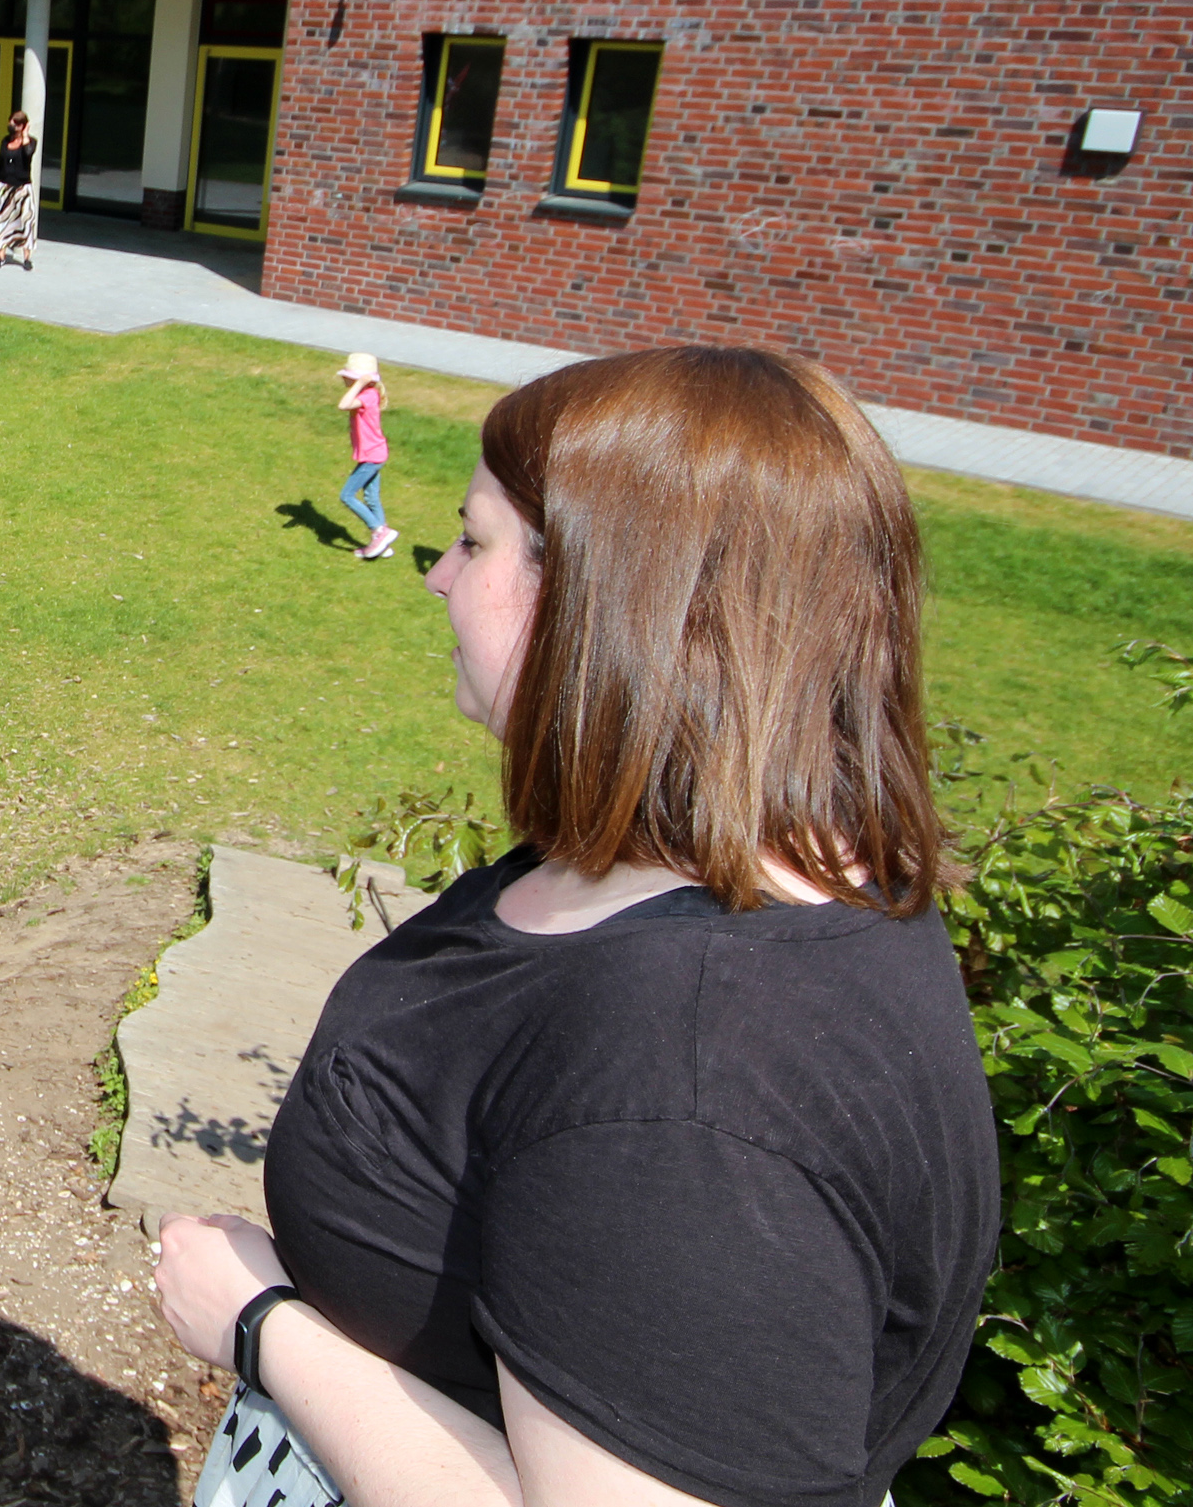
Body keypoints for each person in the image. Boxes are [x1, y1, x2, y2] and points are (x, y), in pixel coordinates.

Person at [157, 346, 1000, 1507]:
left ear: (607, 600)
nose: (438, 578)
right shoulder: (737, 869)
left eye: (473, 542)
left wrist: (259, 1323)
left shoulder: (691, 1094)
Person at [335, 352, 394, 560]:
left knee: (347, 496)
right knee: (371, 497)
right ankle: (382, 545)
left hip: (372, 457)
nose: (343, 379)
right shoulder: (368, 394)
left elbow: (343, 405)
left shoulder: (367, 395)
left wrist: (359, 384)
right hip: (374, 454)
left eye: (347, 376)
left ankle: (379, 531)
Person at [0, 109, 39, 270]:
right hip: (5, 188)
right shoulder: (5, 141)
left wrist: (24, 135)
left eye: (16, 123)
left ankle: (27, 258)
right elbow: (0, 166)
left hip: (23, 189)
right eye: (11, 121)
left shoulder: (31, 142)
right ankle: (1, 256)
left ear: (23, 126)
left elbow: (28, 153)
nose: (12, 125)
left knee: (26, 222)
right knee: (3, 222)